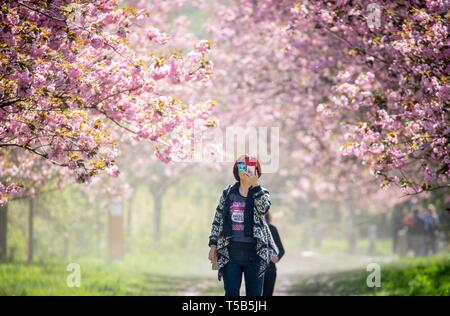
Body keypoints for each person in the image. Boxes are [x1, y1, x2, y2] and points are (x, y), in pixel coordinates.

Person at [208, 155, 279, 296]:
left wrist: (255, 186)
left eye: (249, 166)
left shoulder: (262, 192)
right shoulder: (228, 193)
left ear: (256, 171)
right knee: (231, 293)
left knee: (254, 294)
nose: (245, 170)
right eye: (241, 166)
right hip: (230, 252)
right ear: (236, 169)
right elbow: (217, 219)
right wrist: (213, 246)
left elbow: (263, 209)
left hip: (255, 252)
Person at [263, 213, 284, 296]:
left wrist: (277, 257)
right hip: (255, 270)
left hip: (270, 270)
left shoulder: (272, 229)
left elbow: (282, 250)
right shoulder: (251, 230)